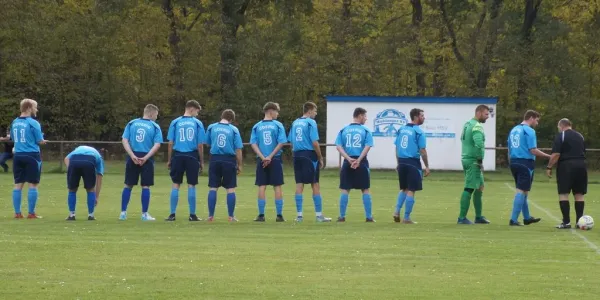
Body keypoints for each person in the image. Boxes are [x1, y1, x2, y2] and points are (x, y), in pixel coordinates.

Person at [288, 102, 332, 222]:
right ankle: (319, 216)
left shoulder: (295, 122)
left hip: (297, 155)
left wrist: (295, 153)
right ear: (310, 111)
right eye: (315, 111)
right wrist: (320, 157)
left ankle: (299, 216)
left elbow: (291, 141)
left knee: (299, 184)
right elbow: (314, 142)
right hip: (309, 155)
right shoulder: (310, 122)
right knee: (315, 184)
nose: (316, 114)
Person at [119, 104, 163, 221]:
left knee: (128, 185)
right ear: (152, 113)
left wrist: (132, 155)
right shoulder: (154, 126)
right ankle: (144, 214)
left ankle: (123, 213)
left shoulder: (131, 123)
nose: (156, 117)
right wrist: (146, 157)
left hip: (133, 155)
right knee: (146, 186)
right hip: (146, 158)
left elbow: (124, 140)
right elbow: (157, 144)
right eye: (156, 115)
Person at [507, 110, 550, 226]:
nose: (537, 123)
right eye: (537, 120)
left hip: (514, 162)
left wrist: (510, 162)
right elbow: (533, 150)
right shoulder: (529, 131)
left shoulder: (514, 130)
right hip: (525, 163)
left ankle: (526, 218)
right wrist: (548, 156)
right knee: (521, 191)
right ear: (531, 118)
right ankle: (513, 220)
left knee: (524, 190)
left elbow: (509, 149)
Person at [165, 100, 205, 222]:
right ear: (192, 109)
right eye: (197, 111)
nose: (197, 114)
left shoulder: (175, 122)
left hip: (177, 155)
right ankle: (192, 215)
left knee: (176, 184)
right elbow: (200, 144)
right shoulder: (197, 123)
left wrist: (169, 159)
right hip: (192, 156)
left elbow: (170, 143)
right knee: (191, 184)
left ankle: (172, 214)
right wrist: (202, 161)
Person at [546, 118, 587, 229]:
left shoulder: (561, 136)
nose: (559, 129)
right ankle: (580, 222)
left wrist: (549, 166)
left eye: (558, 127)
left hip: (566, 166)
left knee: (563, 193)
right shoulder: (580, 136)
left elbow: (556, 154)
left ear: (561, 126)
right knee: (579, 194)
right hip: (581, 165)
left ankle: (566, 222)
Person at [335, 107, 375, 222]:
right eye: (365, 116)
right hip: (361, 162)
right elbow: (367, 146)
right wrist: (358, 160)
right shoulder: (365, 130)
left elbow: (338, 146)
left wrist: (348, 159)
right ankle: (369, 217)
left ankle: (342, 217)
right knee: (365, 189)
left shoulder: (344, 130)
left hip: (348, 162)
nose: (366, 119)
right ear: (360, 115)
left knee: (345, 189)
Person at [250, 102, 287, 222]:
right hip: (275, 158)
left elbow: (253, 143)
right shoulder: (278, 125)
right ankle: (279, 215)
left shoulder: (257, 126)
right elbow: (281, 142)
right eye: (276, 112)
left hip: (261, 159)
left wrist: (262, 157)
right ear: (271, 111)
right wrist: (270, 157)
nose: (278, 114)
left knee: (262, 186)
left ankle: (261, 215)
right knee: (277, 186)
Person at [10, 99, 47, 219]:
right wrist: (42, 141)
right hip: (32, 156)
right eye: (35, 107)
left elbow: (13, 138)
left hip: (18, 156)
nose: (36, 109)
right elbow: (39, 140)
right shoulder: (33, 123)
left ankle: (17, 213)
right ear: (29, 108)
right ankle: (31, 213)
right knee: (33, 184)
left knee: (18, 184)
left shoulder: (14, 122)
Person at [205, 109, 244, 222]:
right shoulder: (233, 129)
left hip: (215, 159)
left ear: (221, 116)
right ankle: (231, 216)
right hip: (228, 160)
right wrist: (240, 164)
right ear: (231, 119)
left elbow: (208, 143)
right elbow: (238, 149)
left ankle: (210, 216)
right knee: (230, 189)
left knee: (213, 187)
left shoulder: (212, 127)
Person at [394, 108, 429, 224]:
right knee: (411, 190)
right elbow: (422, 150)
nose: (424, 118)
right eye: (422, 116)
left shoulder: (401, 130)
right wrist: (427, 166)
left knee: (404, 188)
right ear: (416, 117)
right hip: (413, 163)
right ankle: (406, 218)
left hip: (402, 162)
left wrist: (398, 163)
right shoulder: (418, 131)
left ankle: (396, 211)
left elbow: (397, 147)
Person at [457, 105, 490, 225]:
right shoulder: (477, 126)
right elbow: (479, 144)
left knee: (479, 187)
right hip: (473, 161)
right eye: (486, 114)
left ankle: (479, 216)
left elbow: (462, 139)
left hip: (466, 159)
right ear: (479, 113)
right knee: (469, 187)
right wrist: (480, 161)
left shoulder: (467, 124)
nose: (488, 117)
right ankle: (461, 218)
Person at [64, 146, 104, 221]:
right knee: (90, 189)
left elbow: (66, 159)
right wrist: (96, 197)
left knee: (72, 190)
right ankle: (91, 215)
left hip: (74, 161)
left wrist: (72, 171)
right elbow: (99, 177)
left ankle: (71, 215)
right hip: (89, 161)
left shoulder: (77, 149)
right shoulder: (98, 157)